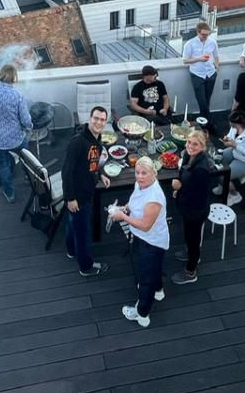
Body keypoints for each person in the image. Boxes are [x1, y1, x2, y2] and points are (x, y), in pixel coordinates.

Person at [110, 156, 169, 327]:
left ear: (154, 174)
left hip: (151, 242)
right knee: (154, 269)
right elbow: (134, 200)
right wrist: (125, 208)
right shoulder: (141, 185)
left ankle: (142, 314)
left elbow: (145, 226)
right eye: (137, 172)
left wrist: (122, 217)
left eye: (144, 173)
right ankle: (158, 291)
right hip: (145, 239)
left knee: (145, 279)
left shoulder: (154, 199)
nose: (140, 176)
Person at [61, 106, 112, 277]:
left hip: (86, 190)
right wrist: (70, 198)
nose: (98, 122)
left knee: (72, 223)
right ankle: (86, 266)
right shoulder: (78, 142)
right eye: (96, 118)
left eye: (102, 119)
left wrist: (100, 174)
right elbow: (66, 171)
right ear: (90, 119)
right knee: (83, 233)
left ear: (106, 122)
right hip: (79, 195)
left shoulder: (96, 138)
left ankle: (71, 250)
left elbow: (93, 161)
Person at [0, 64, 33, 203]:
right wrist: (30, 127)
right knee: (27, 159)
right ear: (14, 78)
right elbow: (26, 120)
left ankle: (10, 194)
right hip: (16, 139)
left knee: (3, 165)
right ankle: (30, 178)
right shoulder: (17, 96)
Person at [170, 130, 215, 285]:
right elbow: (184, 174)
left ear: (202, 147)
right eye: (189, 142)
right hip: (187, 206)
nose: (190, 146)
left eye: (195, 144)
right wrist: (179, 189)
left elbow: (199, 194)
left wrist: (180, 187)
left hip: (196, 211)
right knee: (189, 237)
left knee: (193, 239)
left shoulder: (202, 168)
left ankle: (191, 271)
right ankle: (190, 253)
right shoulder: (189, 156)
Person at [182, 22, 220, 123]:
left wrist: (217, 67)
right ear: (198, 32)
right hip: (197, 74)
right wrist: (199, 59)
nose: (205, 37)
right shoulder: (189, 44)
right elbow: (185, 61)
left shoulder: (212, 42)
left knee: (207, 99)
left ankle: (203, 122)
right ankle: (208, 122)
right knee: (202, 101)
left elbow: (216, 55)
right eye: (203, 35)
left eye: (207, 34)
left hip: (211, 74)